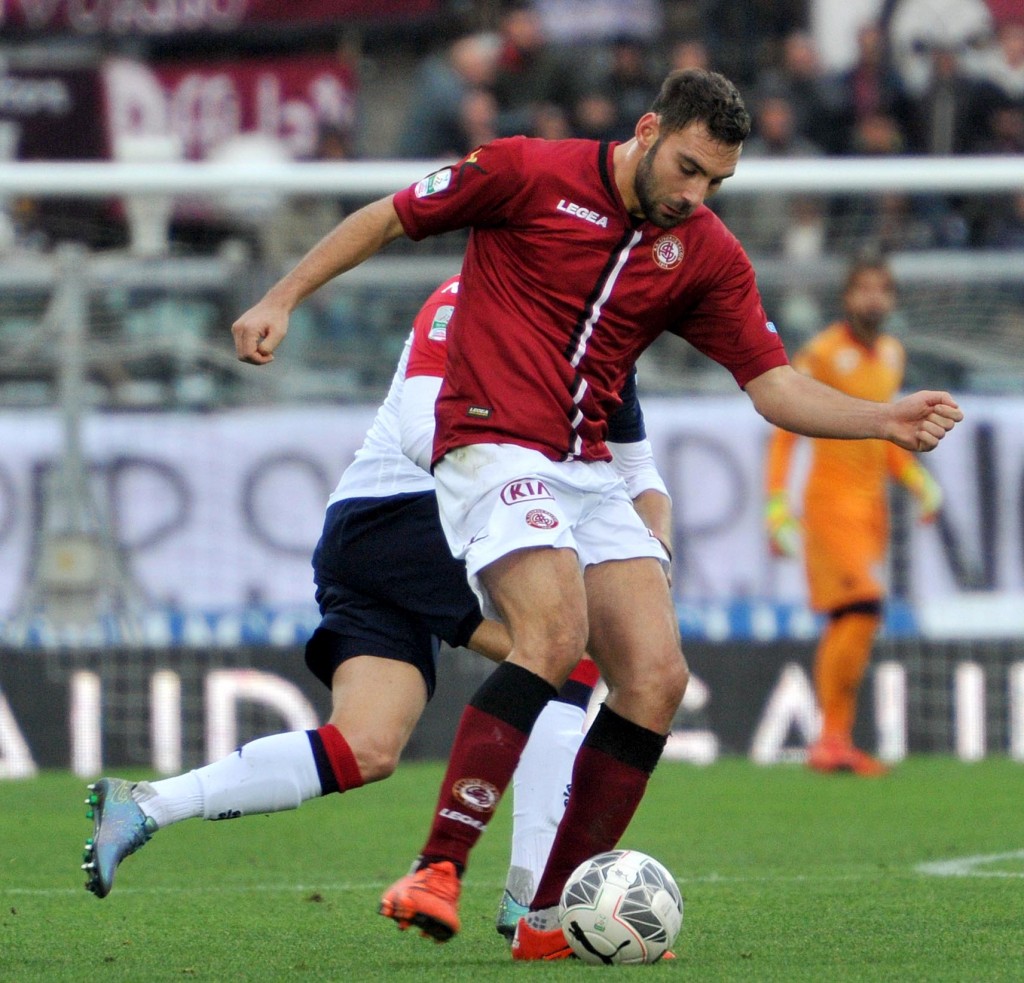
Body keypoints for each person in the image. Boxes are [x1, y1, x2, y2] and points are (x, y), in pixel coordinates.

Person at [231, 69, 963, 960]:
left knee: (655, 677)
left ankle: (546, 918)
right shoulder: (526, 172)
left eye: (718, 181)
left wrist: (882, 420)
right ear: (648, 130)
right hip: (489, 438)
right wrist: (281, 297)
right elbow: (388, 217)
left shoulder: (705, 251)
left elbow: (773, 386)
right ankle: (437, 866)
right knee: (554, 629)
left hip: (585, 465)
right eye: (688, 168)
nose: (697, 195)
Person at [81, 276, 670, 937]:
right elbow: (430, 432)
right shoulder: (472, 296)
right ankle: (533, 904)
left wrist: (654, 550)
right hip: (410, 515)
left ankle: (146, 805)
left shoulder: (597, 326)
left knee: (366, 747)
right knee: (563, 656)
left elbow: (638, 471)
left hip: (369, 535)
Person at [764, 254, 944, 776]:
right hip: (829, 506)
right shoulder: (822, 353)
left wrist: (917, 480)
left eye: (882, 289)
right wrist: (776, 503)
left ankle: (834, 741)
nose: (874, 298)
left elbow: (885, 433)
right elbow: (786, 428)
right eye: (864, 288)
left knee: (854, 618)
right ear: (847, 297)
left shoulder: (891, 354)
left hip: (871, 511)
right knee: (861, 608)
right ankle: (831, 739)